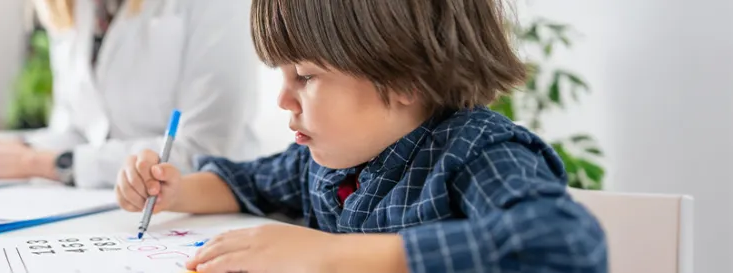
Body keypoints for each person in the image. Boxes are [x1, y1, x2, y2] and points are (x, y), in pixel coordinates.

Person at [115, 0, 609, 272]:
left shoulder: (477, 150)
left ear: (400, 78)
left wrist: (329, 255)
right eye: (282, 76)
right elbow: (247, 182)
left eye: (305, 77)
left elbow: (563, 241)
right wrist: (173, 189)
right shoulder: (329, 159)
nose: (283, 100)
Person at [0, 0, 259, 188]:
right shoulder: (76, 8)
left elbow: (206, 151)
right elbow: (82, 130)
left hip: (210, 213)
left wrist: (37, 163)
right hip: (108, 206)